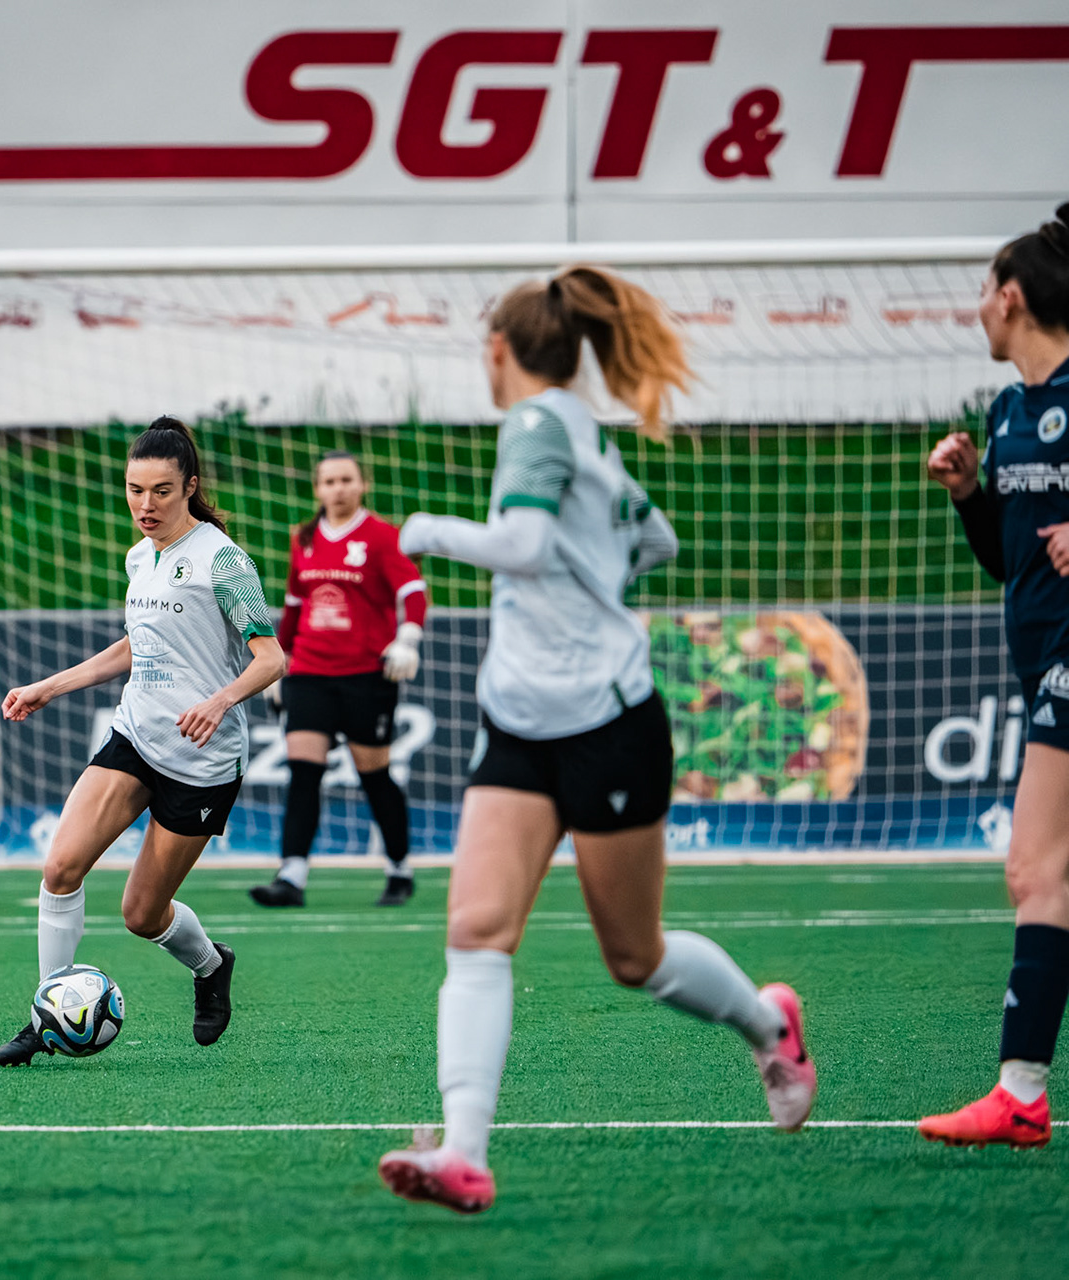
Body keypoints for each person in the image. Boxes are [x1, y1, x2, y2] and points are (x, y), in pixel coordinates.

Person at [375, 267, 816, 1213]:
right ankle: (463, 1152)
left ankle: (768, 1024)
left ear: (500, 349)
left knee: (635, 958)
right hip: (520, 716)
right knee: (477, 931)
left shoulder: (536, 423)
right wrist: (593, 577)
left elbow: (526, 546)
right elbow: (656, 543)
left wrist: (424, 530)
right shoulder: (584, 432)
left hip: (607, 721)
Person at [0, 416, 285, 1065]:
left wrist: (219, 701)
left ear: (190, 487)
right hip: (136, 735)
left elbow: (271, 658)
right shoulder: (139, 557)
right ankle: (44, 1016)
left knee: (143, 915)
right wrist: (50, 686)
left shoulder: (223, 561)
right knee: (60, 869)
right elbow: (137, 644)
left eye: (160, 491)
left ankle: (211, 966)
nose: (145, 505)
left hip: (202, 761)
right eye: (134, 490)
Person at [921, 202, 1069, 1148]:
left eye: (983, 289)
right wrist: (972, 494)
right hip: (1040, 655)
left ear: (1011, 297)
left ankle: (1020, 1092)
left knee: (1035, 869)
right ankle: (1021, 1095)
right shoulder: (1009, 412)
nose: (977, 305)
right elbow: (1005, 561)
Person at [250, 452, 427, 908]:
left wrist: (408, 636)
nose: (338, 488)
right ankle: (291, 876)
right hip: (310, 672)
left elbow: (413, 590)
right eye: (329, 481)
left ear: (362, 484)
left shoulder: (383, 537)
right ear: (318, 489)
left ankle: (399, 868)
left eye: (347, 479)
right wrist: (279, 662)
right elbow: (295, 603)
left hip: (366, 675)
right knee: (303, 772)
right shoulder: (304, 538)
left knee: (375, 776)